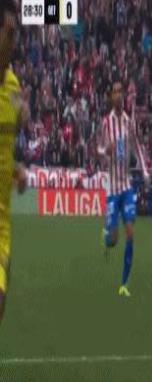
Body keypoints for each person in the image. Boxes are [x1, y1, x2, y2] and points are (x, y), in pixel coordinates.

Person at [99, 78, 150, 297]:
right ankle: (106, 235)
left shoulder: (129, 122)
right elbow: (98, 150)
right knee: (113, 239)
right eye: (115, 91)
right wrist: (105, 151)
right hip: (112, 188)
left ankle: (124, 284)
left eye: (121, 91)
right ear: (111, 97)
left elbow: (137, 146)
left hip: (126, 186)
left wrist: (145, 170)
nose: (119, 95)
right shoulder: (105, 123)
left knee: (130, 233)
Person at [0, 0, 28, 325]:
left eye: (15, 34)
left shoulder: (13, 87)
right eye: (9, 33)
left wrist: (17, 169)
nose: (13, 41)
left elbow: (9, 149)